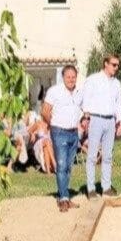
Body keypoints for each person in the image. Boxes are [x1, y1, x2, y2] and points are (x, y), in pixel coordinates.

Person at [80, 54, 121, 198]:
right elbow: (85, 99)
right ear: (105, 64)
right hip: (96, 119)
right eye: (113, 64)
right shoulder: (93, 80)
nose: (116, 68)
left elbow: (119, 104)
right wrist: (86, 118)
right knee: (92, 155)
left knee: (107, 156)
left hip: (110, 121)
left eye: (117, 65)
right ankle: (91, 188)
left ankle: (106, 187)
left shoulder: (116, 83)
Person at [42, 65, 84, 212]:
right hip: (59, 132)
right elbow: (45, 111)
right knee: (61, 165)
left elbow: (84, 110)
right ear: (63, 77)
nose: (71, 80)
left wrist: (84, 121)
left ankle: (65, 195)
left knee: (68, 166)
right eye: (68, 77)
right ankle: (63, 199)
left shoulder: (79, 93)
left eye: (73, 77)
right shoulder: (54, 91)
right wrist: (51, 124)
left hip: (73, 133)